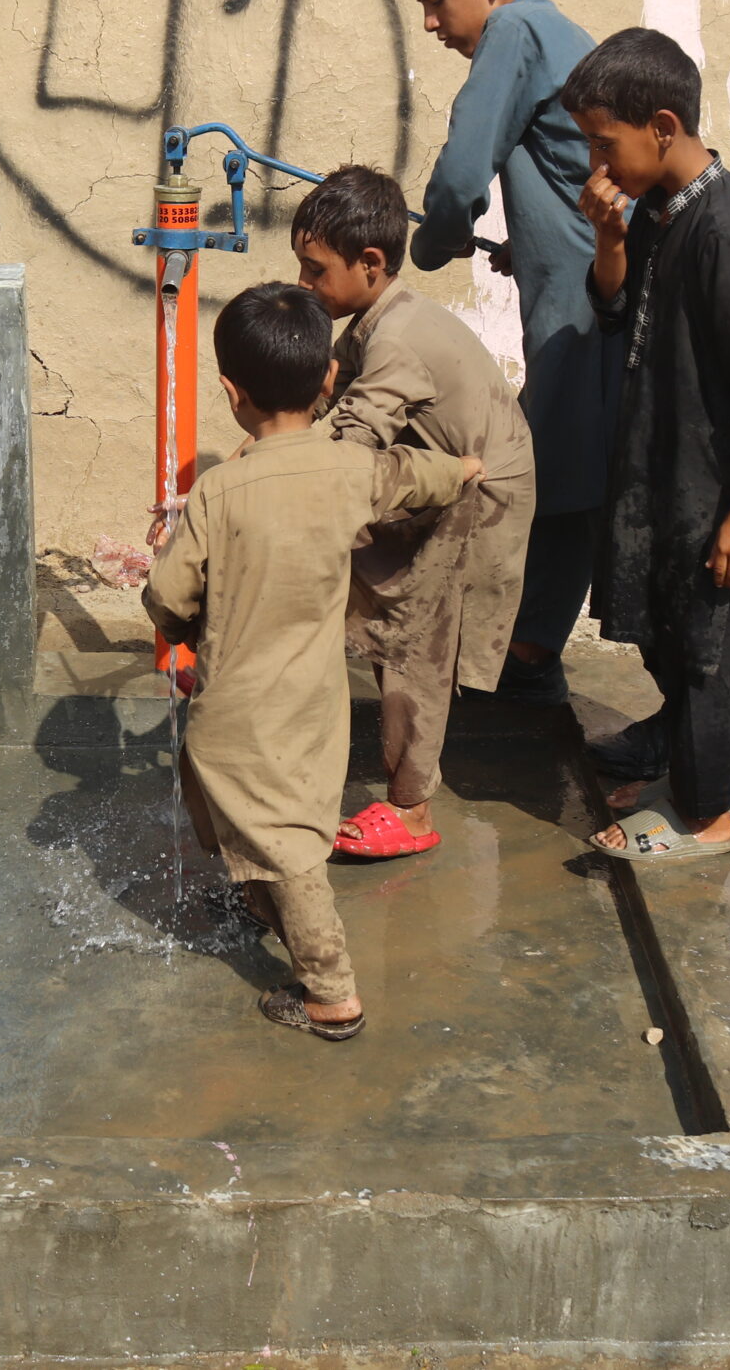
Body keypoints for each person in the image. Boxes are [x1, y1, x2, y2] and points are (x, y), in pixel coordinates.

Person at [143, 282, 481, 1038]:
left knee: (285, 844)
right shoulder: (352, 469)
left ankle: (331, 993)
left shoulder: (218, 493)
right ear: (330, 379)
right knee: (267, 818)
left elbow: (167, 597)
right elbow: (414, 474)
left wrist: (179, 618)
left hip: (239, 712)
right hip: (313, 703)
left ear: (231, 392)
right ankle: (258, 897)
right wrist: (463, 470)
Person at [561, 27, 730, 862]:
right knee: (669, 630)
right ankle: (692, 765)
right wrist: (609, 237)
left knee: (708, 649)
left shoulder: (729, 233)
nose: (595, 164)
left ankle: (706, 813)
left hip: (718, 486)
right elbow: (615, 311)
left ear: (662, 127)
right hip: (668, 467)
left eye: (605, 143)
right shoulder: (662, 213)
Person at [401, 0, 620, 704]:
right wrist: (522, 244)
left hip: (581, 304)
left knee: (556, 467)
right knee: (566, 460)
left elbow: (462, 172)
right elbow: (561, 175)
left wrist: (430, 242)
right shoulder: (552, 29)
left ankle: (527, 653)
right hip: (581, 287)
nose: (431, 23)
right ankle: (529, 645)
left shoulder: (514, 31)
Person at [289, 166, 535, 860]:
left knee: (414, 639)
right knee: (366, 589)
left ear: (370, 263)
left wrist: (256, 481)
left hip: (479, 499)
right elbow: (316, 405)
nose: (305, 284)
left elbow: (348, 442)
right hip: (445, 478)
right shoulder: (378, 319)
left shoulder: (396, 339)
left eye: (315, 270)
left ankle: (412, 809)